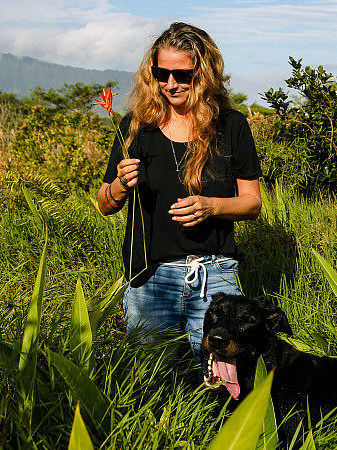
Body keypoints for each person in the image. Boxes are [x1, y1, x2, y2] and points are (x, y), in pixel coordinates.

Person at [97, 22, 262, 367]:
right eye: (161, 73)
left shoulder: (231, 126)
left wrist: (211, 206)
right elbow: (104, 204)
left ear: (204, 74)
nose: (170, 84)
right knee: (150, 381)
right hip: (150, 277)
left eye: (182, 75)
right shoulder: (135, 127)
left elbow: (251, 203)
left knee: (222, 380)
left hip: (214, 277)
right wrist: (118, 186)